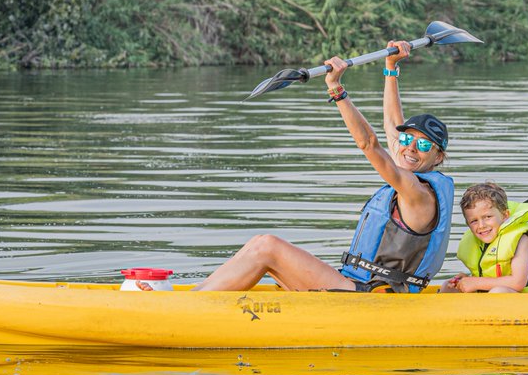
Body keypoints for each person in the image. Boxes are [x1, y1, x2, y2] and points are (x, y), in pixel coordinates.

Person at [192, 41, 455, 293]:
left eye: (423, 145)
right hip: (353, 283)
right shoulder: (408, 166)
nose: (409, 148)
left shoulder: (416, 191)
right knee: (263, 252)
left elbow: (369, 144)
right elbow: (391, 122)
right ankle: (194, 294)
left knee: (267, 246)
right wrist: (391, 67)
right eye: (408, 139)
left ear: (438, 157)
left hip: (372, 295)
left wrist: (337, 89)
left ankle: (190, 304)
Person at [441, 182, 528, 293]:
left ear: (504, 215)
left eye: (487, 217)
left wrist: (476, 283)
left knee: (498, 292)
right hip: (493, 296)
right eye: (474, 221)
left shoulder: (521, 240)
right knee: (448, 287)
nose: (481, 226)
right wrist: (467, 280)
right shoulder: (477, 241)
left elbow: (518, 282)